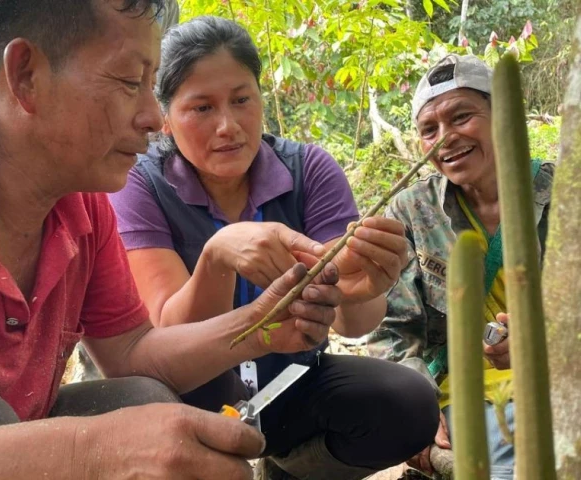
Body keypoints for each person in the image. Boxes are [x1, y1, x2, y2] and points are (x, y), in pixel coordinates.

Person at [0, 2, 357, 479]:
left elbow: (132, 354)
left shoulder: (81, 202)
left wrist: (260, 325)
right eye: (129, 82)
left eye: (151, 87)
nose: (153, 118)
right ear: (26, 75)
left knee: (140, 402)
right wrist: (87, 453)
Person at [109, 16, 440, 480]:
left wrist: (363, 286)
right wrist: (217, 256)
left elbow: (352, 321)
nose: (228, 126)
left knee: (407, 403)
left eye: (242, 99)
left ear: (261, 97)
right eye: (201, 108)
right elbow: (169, 333)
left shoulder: (309, 170)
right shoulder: (139, 184)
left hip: (288, 383)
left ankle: (292, 470)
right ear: (165, 119)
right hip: (188, 396)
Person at [367, 54, 554, 480]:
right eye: (428, 130)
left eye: (461, 117)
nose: (446, 138)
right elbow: (391, 331)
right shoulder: (412, 210)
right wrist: (415, 406)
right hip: (462, 400)